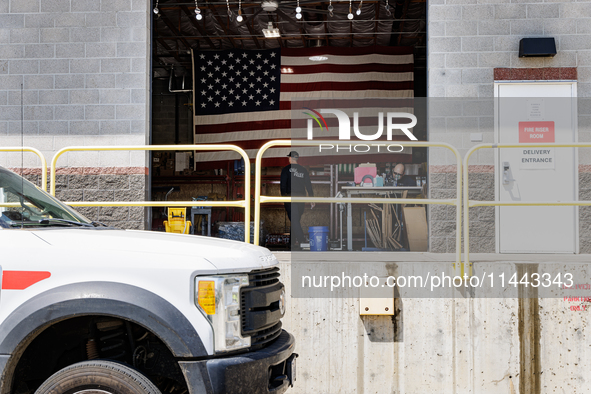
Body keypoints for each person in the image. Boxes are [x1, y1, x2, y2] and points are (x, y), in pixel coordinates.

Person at [280, 151, 315, 248]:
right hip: (301, 199)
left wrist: (284, 198)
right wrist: (312, 198)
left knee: (294, 220)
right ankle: (291, 243)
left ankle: (302, 241)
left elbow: (283, 186)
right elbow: (308, 185)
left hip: (290, 198)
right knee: (295, 220)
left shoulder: (286, 170)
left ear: (290, 158)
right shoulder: (303, 170)